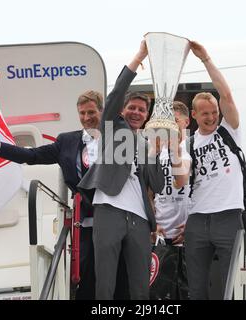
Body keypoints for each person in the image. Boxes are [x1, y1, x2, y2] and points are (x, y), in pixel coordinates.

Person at [0, 90, 128, 300]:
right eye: (82, 113)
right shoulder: (66, 141)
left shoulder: (116, 138)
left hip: (115, 221)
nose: (86, 118)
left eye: (91, 112)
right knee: (85, 277)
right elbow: (32, 156)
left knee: (118, 278)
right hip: (85, 224)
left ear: (102, 111)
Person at [78, 40, 178, 300]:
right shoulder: (113, 127)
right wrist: (139, 56)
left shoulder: (147, 143)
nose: (136, 112)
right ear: (122, 111)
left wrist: (157, 152)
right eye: (131, 107)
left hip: (139, 219)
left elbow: (156, 185)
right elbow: (115, 93)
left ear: (146, 116)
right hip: (109, 209)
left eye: (141, 110)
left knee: (140, 286)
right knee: (106, 282)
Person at [184, 41, 244, 300]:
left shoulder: (228, 131)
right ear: (195, 115)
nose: (211, 117)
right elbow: (179, 183)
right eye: (205, 114)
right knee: (196, 287)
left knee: (230, 284)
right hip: (197, 219)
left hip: (228, 216)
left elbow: (226, 94)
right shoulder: (187, 143)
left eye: (214, 112)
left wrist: (206, 59)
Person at [150, 101, 192, 300]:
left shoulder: (192, 147)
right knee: (159, 292)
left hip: (186, 233)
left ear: (186, 122)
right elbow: (148, 192)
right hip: (161, 233)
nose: (172, 127)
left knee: (185, 291)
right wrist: (153, 223)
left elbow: (185, 179)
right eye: (169, 124)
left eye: (175, 121)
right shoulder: (156, 150)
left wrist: (193, 223)